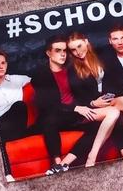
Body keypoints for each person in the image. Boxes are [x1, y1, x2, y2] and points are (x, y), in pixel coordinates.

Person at [30, 36, 106, 174]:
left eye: (64, 50)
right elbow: (48, 104)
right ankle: (57, 162)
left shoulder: (74, 68)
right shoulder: (40, 74)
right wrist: (76, 108)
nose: (63, 54)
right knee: (49, 120)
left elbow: (88, 92)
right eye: (58, 50)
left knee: (100, 125)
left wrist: (92, 103)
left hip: (74, 115)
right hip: (56, 115)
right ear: (48, 53)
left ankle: (65, 163)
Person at [67, 31, 123, 159]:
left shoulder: (103, 55)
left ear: (86, 42)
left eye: (79, 46)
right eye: (73, 50)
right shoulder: (72, 69)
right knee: (117, 114)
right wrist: (93, 103)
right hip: (91, 108)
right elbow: (78, 97)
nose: (78, 52)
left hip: (109, 100)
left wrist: (110, 97)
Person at [0, 49, 31, 180]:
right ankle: (7, 175)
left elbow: (41, 80)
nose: (1, 66)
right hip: (0, 123)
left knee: (19, 105)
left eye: (3, 63)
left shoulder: (17, 79)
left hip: (17, 122)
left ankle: (2, 135)